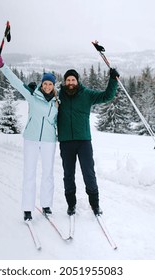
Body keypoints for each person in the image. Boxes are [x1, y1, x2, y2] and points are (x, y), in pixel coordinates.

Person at [0, 54, 59, 221]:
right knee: (29, 173)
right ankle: (27, 209)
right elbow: (16, 83)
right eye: (45, 83)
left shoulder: (58, 102)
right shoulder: (32, 96)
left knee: (48, 174)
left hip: (49, 141)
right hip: (31, 139)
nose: (47, 86)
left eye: (50, 84)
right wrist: (3, 66)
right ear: (41, 84)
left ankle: (46, 206)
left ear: (53, 86)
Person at [57, 68, 119, 216]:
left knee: (89, 173)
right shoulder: (58, 95)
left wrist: (112, 80)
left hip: (84, 141)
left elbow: (107, 96)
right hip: (66, 142)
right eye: (68, 80)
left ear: (77, 81)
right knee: (68, 174)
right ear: (65, 82)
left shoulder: (86, 94)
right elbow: (43, 96)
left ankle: (95, 205)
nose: (70, 82)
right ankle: (71, 205)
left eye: (73, 80)